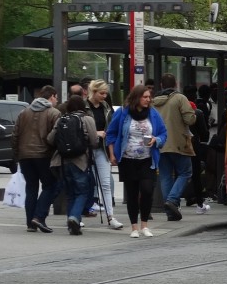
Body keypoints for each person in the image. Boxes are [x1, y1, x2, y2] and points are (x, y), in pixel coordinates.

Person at [107, 84, 167, 238]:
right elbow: (111, 134)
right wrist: (112, 154)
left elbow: (163, 133)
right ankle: (134, 227)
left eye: (149, 97)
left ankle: (145, 225)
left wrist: (156, 139)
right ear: (136, 97)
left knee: (147, 190)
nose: (148, 100)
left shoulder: (153, 114)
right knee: (132, 193)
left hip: (147, 159)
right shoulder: (122, 113)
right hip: (128, 159)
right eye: (145, 97)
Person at [47, 95, 101, 235]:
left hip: (63, 161)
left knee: (70, 193)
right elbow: (94, 141)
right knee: (82, 192)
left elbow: (50, 139)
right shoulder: (87, 119)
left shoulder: (61, 119)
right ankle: (74, 218)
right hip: (80, 161)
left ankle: (72, 225)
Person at [14, 86, 61, 233]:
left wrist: (17, 154)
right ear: (52, 96)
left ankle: (30, 223)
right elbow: (56, 136)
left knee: (31, 188)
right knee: (51, 185)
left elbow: (15, 135)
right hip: (44, 155)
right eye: (57, 97)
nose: (57, 100)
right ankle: (38, 216)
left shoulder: (23, 112)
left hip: (25, 156)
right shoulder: (54, 113)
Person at [151, 73, 196, 222]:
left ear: (162, 86)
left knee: (165, 175)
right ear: (176, 84)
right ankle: (172, 200)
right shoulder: (179, 98)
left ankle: (170, 210)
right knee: (185, 172)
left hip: (160, 144)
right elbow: (190, 119)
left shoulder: (153, 101)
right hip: (178, 142)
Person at [84, 80, 121, 229]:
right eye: (102, 93)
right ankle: (76, 215)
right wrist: (95, 133)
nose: (104, 96)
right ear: (93, 92)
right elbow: (78, 128)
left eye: (106, 93)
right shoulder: (83, 106)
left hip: (102, 149)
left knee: (105, 183)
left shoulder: (106, 108)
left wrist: (112, 154)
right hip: (85, 149)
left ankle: (110, 216)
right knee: (83, 183)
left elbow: (111, 132)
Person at [184, 84, 211, 212]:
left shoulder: (178, 110)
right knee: (195, 174)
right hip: (194, 146)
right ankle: (199, 203)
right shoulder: (197, 112)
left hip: (179, 146)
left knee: (180, 173)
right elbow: (205, 134)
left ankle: (174, 200)